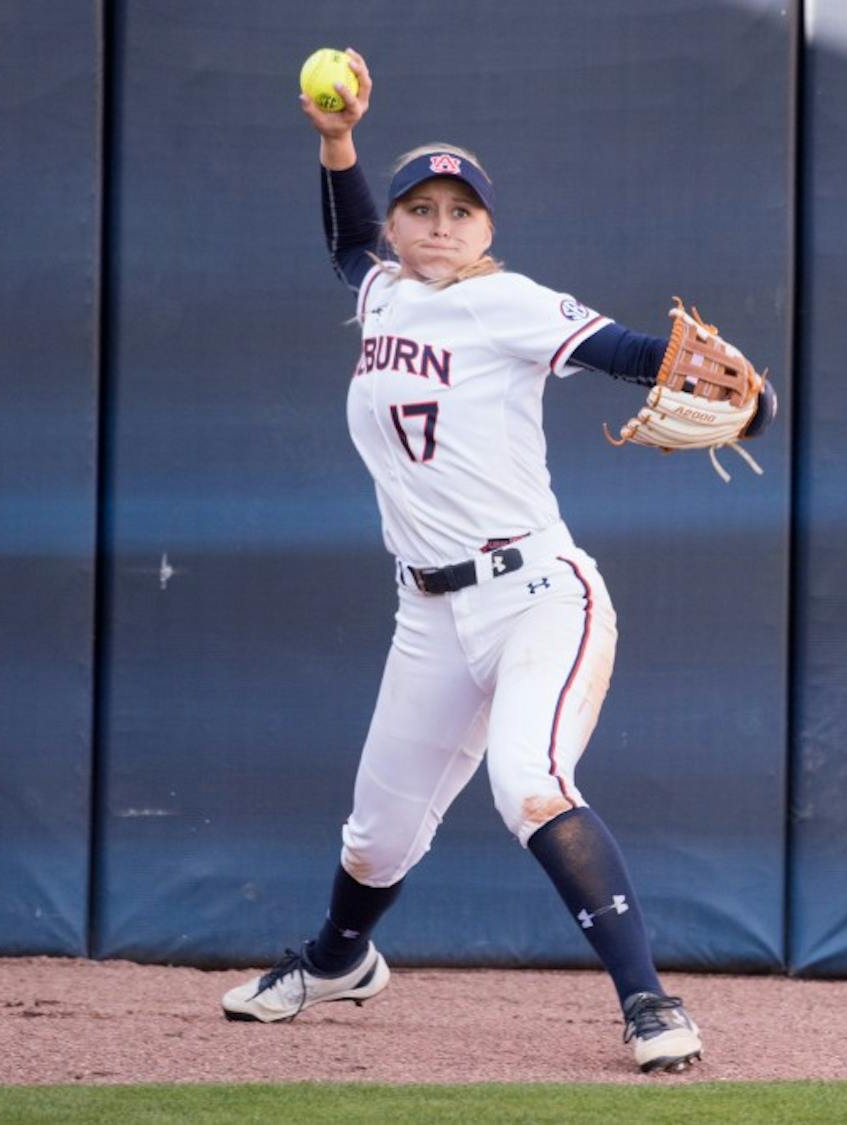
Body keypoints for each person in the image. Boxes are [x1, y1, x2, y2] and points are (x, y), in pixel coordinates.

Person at [219, 49, 775, 1075]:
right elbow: (345, 241)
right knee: (374, 837)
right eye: (420, 208)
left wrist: (728, 387)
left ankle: (648, 1002)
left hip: (536, 598)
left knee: (529, 782)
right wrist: (336, 142)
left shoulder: (508, 300)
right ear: (397, 225)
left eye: (458, 211)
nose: (438, 225)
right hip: (426, 615)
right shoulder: (380, 289)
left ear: (486, 229)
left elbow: (618, 349)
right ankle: (338, 960)